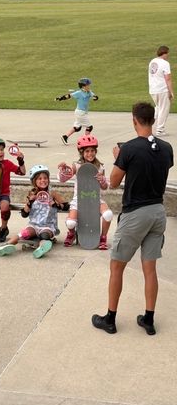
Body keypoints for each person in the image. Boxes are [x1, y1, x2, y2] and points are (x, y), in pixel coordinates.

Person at [92, 102, 173, 335]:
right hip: (158, 211)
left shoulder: (129, 149)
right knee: (150, 268)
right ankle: (148, 319)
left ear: (134, 120)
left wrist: (119, 157)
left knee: (117, 266)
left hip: (136, 213)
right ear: (154, 119)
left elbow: (115, 182)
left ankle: (110, 318)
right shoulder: (167, 148)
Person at [0, 165, 69, 258]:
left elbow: (66, 206)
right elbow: (24, 214)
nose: (43, 180)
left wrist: (55, 204)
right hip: (34, 225)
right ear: (34, 181)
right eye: (40, 178)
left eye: (45, 178)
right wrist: (30, 202)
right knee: (23, 233)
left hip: (48, 226)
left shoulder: (52, 194)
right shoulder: (31, 194)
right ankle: (7, 245)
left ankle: (41, 249)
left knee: (44, 236)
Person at [57, 134, 113, 250]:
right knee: (71, 223)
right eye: (87, 151)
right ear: (81, 152)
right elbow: (63, 179)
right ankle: (72, 234)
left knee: (108, 215)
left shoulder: (100, 167)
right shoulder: (76, 166)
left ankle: (103, 237)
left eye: (92, 151)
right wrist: (63, 170)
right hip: (79, 199)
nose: (90, 153)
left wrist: (102, 181)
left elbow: (104, 187)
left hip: (95, 199)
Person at [55, 77, 99, 145]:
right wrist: (60, 98)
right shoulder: (79, 93)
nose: (89, 86)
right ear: (83, 86)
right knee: (89, 127)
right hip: (80, 113)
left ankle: (65, 137)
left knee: (77, 128)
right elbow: (69, 96)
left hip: (83, 112)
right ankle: (87, 140)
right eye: (88, 85)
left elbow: (94, 96)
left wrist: (95, 98)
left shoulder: (89, 92)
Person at [148, 45, 174, 136]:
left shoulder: (152, 62)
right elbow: (168, 79)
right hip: (162, 89)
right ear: (164, 53)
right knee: (164, 109)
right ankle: (160, 129)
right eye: (167, 53)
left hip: (153, 90)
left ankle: (149, 123)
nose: (168, 56)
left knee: (158, 107)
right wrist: (171, 92)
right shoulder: (165, 63)